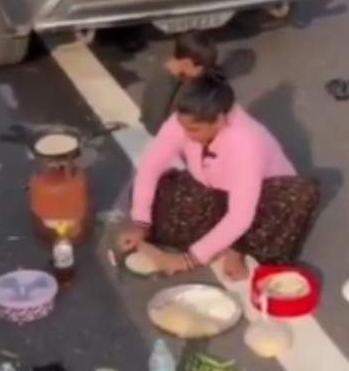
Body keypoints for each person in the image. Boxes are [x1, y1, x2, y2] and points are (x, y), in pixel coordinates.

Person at [117, 72, 320, 280]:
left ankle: (238, 247)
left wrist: (188, 260)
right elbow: (150, 165)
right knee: (155, 193)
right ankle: (221, 240)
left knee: (297, 199)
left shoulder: (247, 142)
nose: (186, 135)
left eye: (194, 130)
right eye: (183, 127)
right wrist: (141, 223)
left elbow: (240, 215)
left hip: (262, 201)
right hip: (214, 191)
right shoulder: (184, 120)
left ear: (220, 120)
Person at [139, 31, 219, 136]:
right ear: (187, 64)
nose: (203, 73)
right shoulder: (162, 85)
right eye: (201, 69)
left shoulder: (179, 71)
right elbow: (155, 126)